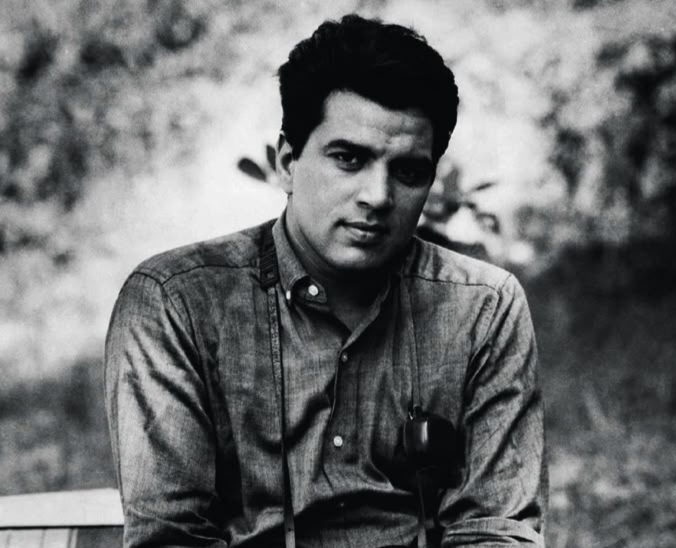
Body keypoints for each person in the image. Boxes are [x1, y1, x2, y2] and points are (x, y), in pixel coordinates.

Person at [105, 13, 547, 548]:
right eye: (349, 159)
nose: (378, 196)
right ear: (287, 163)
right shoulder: (176, 304)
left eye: (408, 171)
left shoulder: (484, 309)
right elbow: (172, 539)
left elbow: (494, 530)